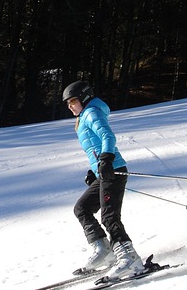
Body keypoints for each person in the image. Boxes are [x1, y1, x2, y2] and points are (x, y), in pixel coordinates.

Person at [62, 81, 145, 280]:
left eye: (72, 101)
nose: (70, 106)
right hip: (104, 171)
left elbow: (107, 136)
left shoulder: (91, 113)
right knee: (82, 208)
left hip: (113, 170)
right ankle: (104, 250)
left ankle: (129, 258)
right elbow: (95, 146)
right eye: (67, 103)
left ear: (84, 98)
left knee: (109, 217)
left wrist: (106, 159)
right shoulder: (85, 115)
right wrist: (94, 169)